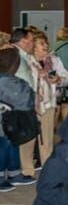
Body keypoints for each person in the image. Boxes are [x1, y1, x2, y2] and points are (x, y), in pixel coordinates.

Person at [31, 31, 68, 167]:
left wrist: (59, 79)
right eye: (41, 43)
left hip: (48, 103)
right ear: (33, 46)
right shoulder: (27, 60)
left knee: (47, 136)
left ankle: (46, 164)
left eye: (46, 42)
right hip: (30, 103)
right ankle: (28, 165)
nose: (46, 45)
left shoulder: (54, 59)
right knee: (29, 138)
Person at [0, 48, 36, 191]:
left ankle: (13, 173)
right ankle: (2, 176)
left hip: (8, 119)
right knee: (4, 145)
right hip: (7, 120)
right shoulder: (8, 81)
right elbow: (26, 99)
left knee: (10, 144)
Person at [11, 28, 39, 180]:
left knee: (27, 136)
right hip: (18, 103)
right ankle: (21, 170)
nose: (33, 44)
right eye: (31, 40)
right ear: (23, 41)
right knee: (22, 137)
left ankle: (25, 169)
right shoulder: (13, 55)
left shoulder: (23, 56)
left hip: (23, 101)